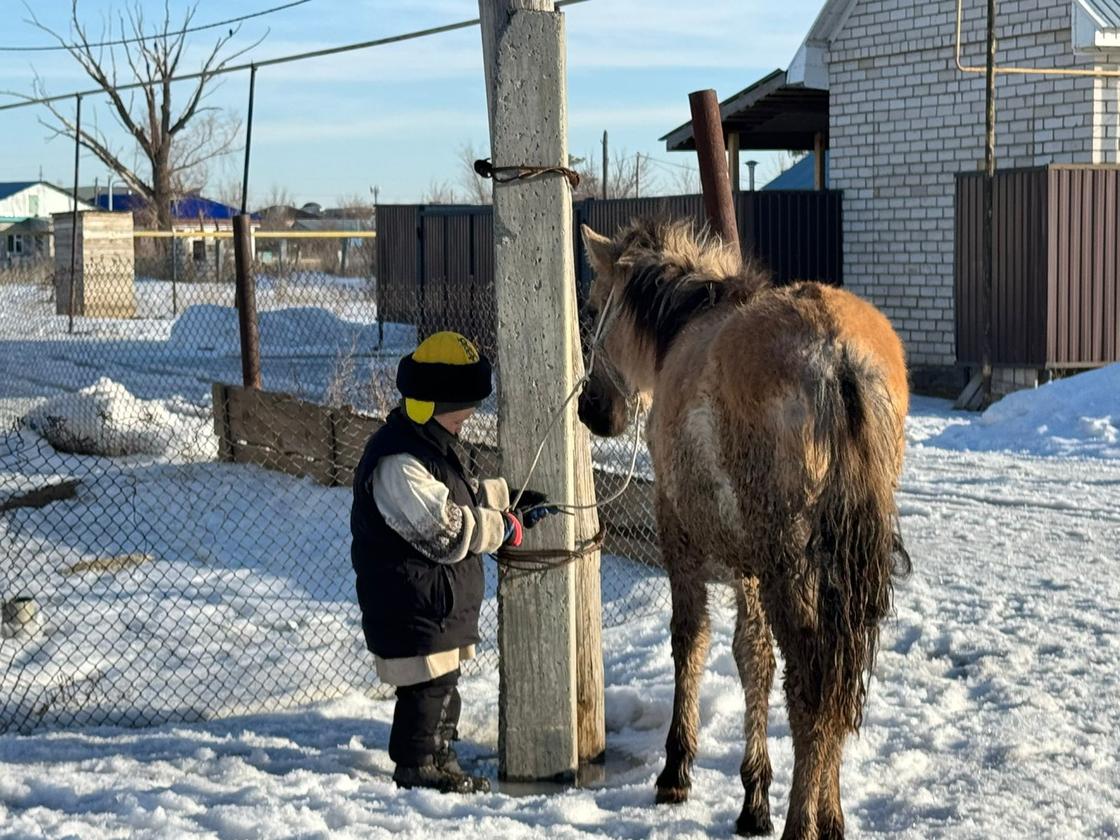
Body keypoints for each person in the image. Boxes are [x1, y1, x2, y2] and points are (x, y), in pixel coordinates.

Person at [350, 331, 556, 794]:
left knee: (443, 686)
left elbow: (461, 492)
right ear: (434, 403)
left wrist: (510, 502)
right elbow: (445, 530)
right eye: (463, 409)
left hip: (435, 606)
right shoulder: (397, 463)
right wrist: (504, 529)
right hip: (411, 607)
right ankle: (416, 765)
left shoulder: (431, 445)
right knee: (425, 693)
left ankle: (439, 754)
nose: (469, 418)